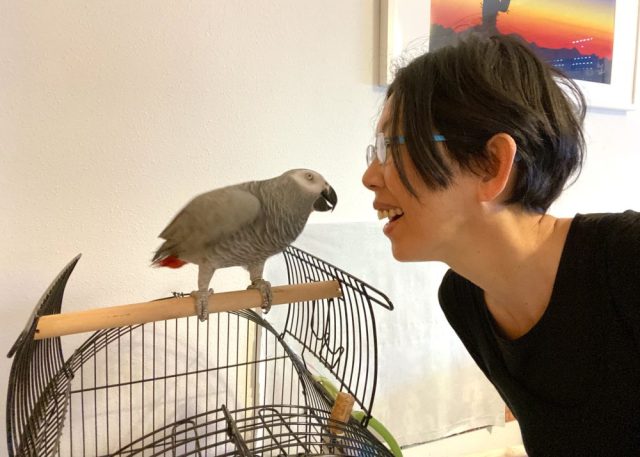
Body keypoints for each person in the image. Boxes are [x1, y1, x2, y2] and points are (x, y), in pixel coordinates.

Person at [362, 33, 640, 455]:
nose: (370, 177)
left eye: (391, 148)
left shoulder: (627, 258)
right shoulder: (463, 300)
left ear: (492, 165)